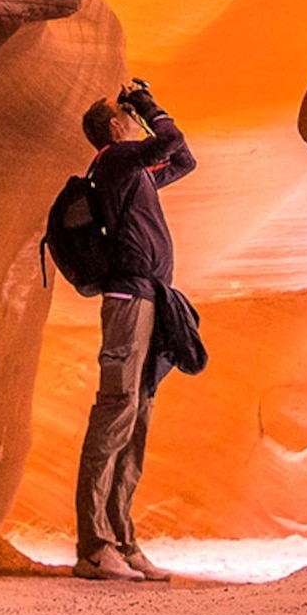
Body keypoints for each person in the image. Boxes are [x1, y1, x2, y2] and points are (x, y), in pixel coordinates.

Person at [72, 75, 194, 582]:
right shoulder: (116, 160)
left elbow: (182, 158)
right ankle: (94, 547)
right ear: (115, 126)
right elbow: (166, 141)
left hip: (148, 298)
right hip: (128, 299)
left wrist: (143, 113)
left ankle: (123, 540)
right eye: (123, 115)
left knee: (137, 412)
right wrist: (147, 103)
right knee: (116, 410)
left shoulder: (134, 173)